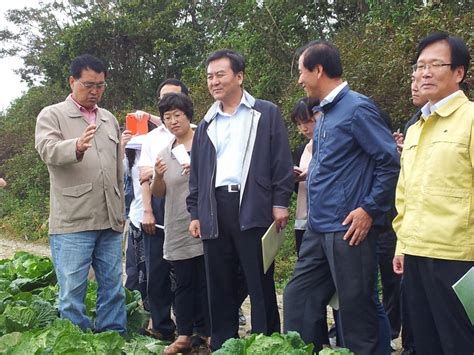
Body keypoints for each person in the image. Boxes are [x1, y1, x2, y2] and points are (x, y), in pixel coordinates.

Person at [283, 40, 400, 354]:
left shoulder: (357, 108)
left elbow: (388, 161)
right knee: (298, 297)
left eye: (301, 72)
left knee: (355, 308)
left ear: (318, 70)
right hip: (318, 227)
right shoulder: (324, 114)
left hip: (348, 228)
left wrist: (369, 209)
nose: (299, 80)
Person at [187, 49, 294, 350]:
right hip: (214, 208)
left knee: (259, 280)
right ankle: (224, 343)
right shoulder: (207, 122)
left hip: (253, 206)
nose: (214, 81)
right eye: (209, 76)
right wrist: (195, 211)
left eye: (220, 74)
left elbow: (281, 161)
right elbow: (197, 173)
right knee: (218, 283)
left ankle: (266, 342)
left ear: (239, 76)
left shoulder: (264, 113)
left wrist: (280, 201)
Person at [392, 32, 474, 355]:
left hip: (458, 259)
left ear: (459, 73)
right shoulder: (415, 128)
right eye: (419, 66)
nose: (424, 72)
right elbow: (405, 195)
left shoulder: (470, 120)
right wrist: (402, 244)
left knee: (460, 344)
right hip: (415, 255)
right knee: (424, 343)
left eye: (435, 64)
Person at [34, 54, 126, 333]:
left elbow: (117, 168)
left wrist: (121, 206)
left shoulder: (108, 118)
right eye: (88, 85)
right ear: (72, 81)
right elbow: (46, 149)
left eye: (100, 85)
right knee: (72, 293)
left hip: (109, 218)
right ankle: (77, 344)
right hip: (73, 221)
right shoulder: (52, 114)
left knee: (113, 288)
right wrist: (75, 146)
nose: (95, 91)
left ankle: (113, 340)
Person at [151, 93, 210, 354]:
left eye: (177, 115)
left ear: (188, 115)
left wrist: (199, 170)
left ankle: (208, 334)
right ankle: (184, 335)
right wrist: (158, 176)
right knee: (183, 283)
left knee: (208, 282)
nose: (173, 121)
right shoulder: (165, 152)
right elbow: (159, 192)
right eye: (167, 117)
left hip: (206, 223)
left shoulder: (205, 142)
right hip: (177, 224)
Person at [137, 78, 188, 341]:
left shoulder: (198, 133)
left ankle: (191, 328)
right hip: (158, 206)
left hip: (187, 207)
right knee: (157, 270)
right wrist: (147, 210)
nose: (168, 105)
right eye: (163, 101)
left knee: (188, 271)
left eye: (174, 99)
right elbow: (144, 177)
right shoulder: (151, 139)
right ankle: (161, 326)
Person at [290, 98, 319, 256]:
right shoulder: (301, 150)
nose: (304, 128)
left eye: (307, 122)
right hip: (302, 220)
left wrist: (311, 173)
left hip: (325, 221)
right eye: (299, 124)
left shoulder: (330, 147)